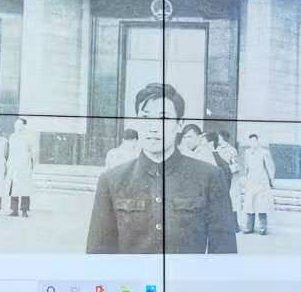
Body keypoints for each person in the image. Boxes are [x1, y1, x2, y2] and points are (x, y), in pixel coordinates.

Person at [86, 83, 236, 254]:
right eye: (145, 117)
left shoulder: (210, 177)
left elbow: (225, 253)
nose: (153, 127)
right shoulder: (111, 180)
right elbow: (98, 255)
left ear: (180, 124)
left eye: (163, 118)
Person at [205, 130, 241, 236]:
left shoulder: (232, 150)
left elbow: (236, 165)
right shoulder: (217, 149)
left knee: (232, 201)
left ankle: (235, 225)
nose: (218, 140)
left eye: (220, 138)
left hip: (229, 178)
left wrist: (228, 170)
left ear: (225, 138)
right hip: (219, 177)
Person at [241, 133, 277, 236]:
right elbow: (246, 167)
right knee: (249, 205)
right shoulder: (247, 152)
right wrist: (245, 178)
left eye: (254, 140)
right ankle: (249, 227)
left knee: (262, 205)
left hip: (262, 182)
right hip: (251, 181)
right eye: (250, 141)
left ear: (257, 141)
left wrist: (271, 180)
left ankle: (262, 227)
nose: (252, 143)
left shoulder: (264, 153)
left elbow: (270, 167)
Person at [6, 116, 36, 218]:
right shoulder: (12, 137)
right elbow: (10, 152)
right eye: (16, 124)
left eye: (19, 124)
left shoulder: (28, 137)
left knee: (25, 189)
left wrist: (30, 165)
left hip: (25, 166)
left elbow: (32, 152)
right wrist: (9, 165)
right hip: (14, 166)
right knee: (14, 189)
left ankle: (24, 210)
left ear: (23, 126)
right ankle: (14, 210)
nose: (17, 126)